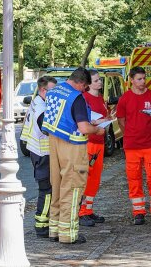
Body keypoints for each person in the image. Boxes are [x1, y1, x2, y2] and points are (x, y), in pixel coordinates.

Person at [42, 67, 105, 244]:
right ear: (81, 83)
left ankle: (54, 230)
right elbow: (84, 128)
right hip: (72, 148)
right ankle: (68, 234)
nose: (84, 90)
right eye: (85, 87)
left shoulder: (54, 92)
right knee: (72, 188)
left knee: (57, 187)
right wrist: (98, 130)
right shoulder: (76, 97)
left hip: (54, 143)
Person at [116, 66, 151, 225]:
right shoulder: (125, 98)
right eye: (139, 79)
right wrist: (129, 133)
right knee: (134, 178)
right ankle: (138, 212)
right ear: (131, 80)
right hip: (132, 145)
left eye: (144, 78)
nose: (143, 81)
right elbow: (121, 120)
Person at [20, 76, 57, 237]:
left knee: (45, 189)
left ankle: (43, 223)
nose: (55, 94)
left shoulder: (36, 102)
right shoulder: (42, 108)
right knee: (47, 190)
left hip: (36, 151)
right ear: (43, 90)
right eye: (53, 91)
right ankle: (42, 226)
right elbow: (46, 129)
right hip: (43, 153)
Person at [79, 70, 111, 227]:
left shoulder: (100, 98)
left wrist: (107, 119)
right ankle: (82, 211)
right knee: (88, 177)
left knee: (95, 179)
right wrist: (100, 122)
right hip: (90, 142)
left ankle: (88, 210)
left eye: (100, 80)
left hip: (99, 142)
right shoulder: (85, 98)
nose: (100, 82)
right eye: (97, 80)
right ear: (88, 83)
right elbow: (84, 122)